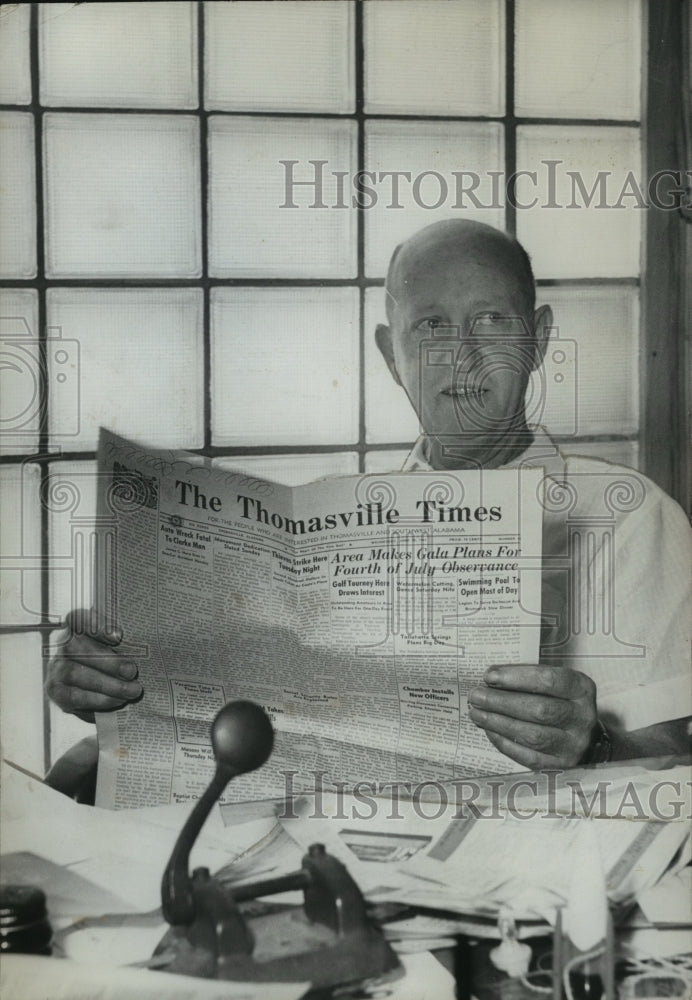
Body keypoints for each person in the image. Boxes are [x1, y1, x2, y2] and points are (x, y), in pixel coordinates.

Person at [46, 219, 691, 770]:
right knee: (74, 771)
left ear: (539, 339)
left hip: (545, 863)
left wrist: (595, 746)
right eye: (431, 326)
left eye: (491, 320)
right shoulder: (332, 527)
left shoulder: (628, 513)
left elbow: (677, 753)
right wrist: (108, 687)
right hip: (344, 844)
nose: (463, 357)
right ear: (391, 355)